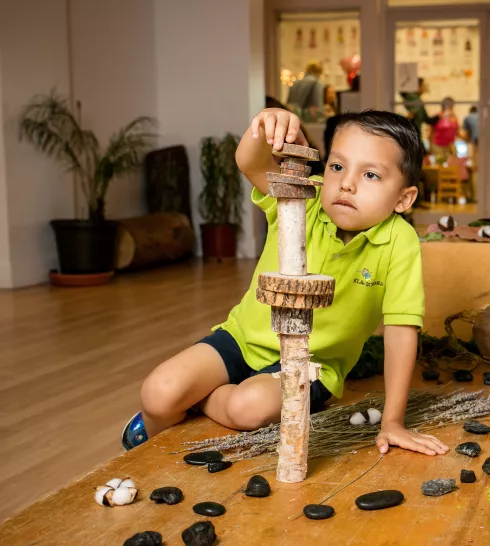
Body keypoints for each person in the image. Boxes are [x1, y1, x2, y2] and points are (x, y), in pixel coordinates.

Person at [122, 108, 448, 458]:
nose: (347, 183)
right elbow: (250, 161)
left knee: (249, 407)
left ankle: (196, 403)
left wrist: (393, 421)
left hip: (312, 364)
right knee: (157, 392)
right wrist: (268, 124)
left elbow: (401, 330)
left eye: (370, 174)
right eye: (337, 166)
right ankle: (159, 446)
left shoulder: (400, 241)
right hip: (242, 339)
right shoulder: (302, 198)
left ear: (404, 198)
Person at [429, 97, 459, 161]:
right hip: (438, 146)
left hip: (450, 146)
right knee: (439, 166)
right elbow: (431, 131)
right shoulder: (437, 116)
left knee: (452, 167)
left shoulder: (454, 117)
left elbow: (457, 131)